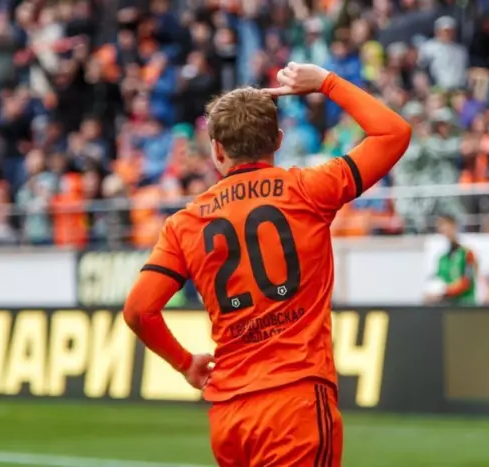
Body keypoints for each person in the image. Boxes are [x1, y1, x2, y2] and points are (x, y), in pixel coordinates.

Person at [123, 62, 411, 466]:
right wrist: (326, 83)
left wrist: (185, 363)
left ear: (217, 150)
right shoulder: (309, 190)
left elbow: (139, 310)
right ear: (277, 139)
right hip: (296, 402)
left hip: (230, 417)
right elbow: (394, 132)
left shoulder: (184, 224)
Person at [426, 214, 478, 305]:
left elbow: (466, 282)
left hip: (465, 305)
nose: (445, 232)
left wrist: (444, 292)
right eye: (442, 229)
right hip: (447, 306)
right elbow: (439, 281)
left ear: (454, 227)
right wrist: (433, 293)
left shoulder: (467, 254)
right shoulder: (442, 259)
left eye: (447, 228)